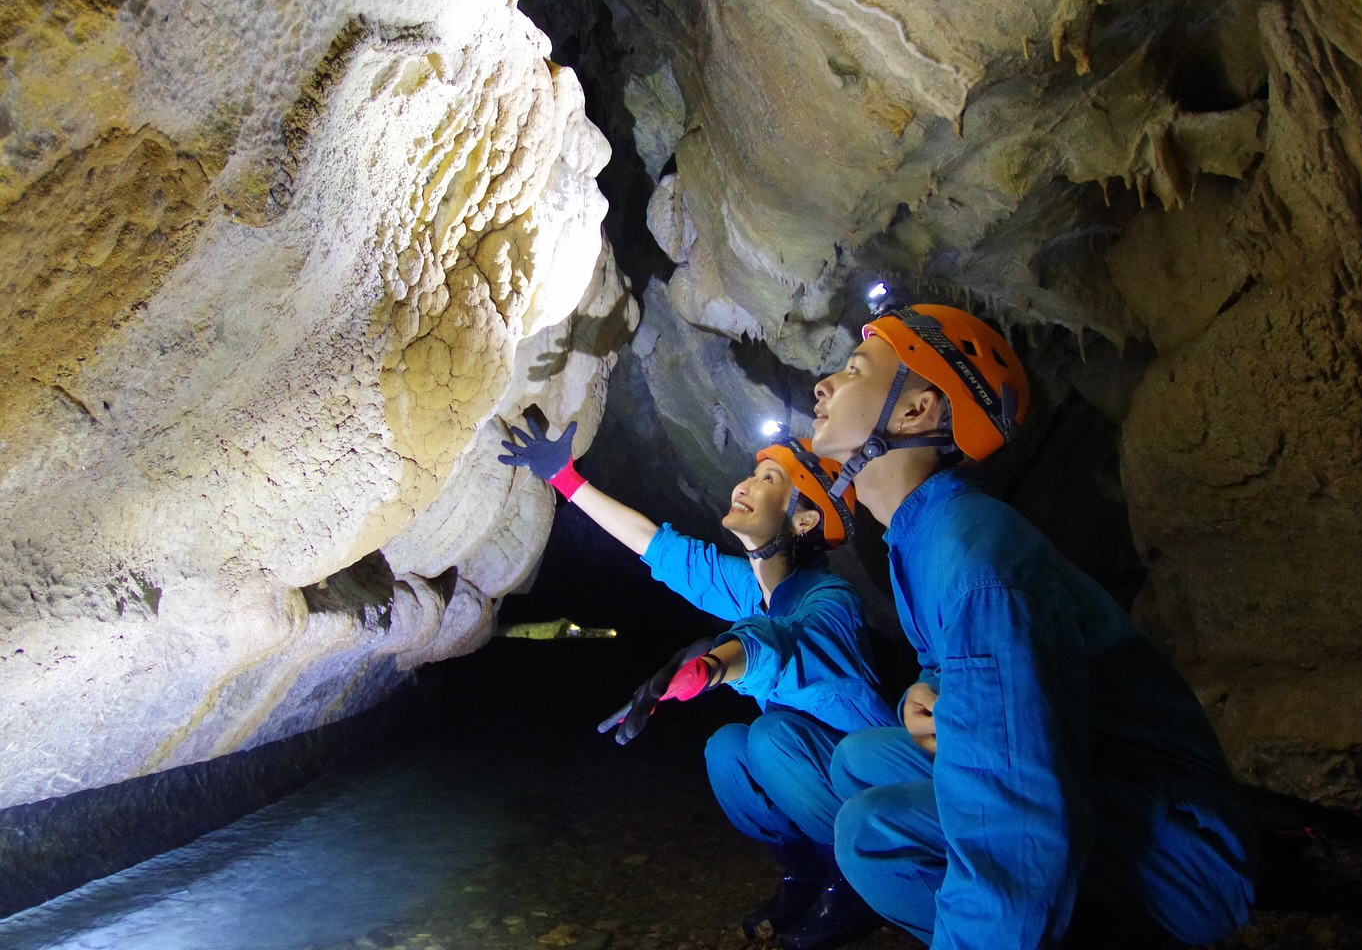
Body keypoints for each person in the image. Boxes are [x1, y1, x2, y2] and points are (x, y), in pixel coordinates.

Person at [808, 303, 1257, 949]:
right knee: (858, 760)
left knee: (872, 831)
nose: (824, 384)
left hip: (1180, 852)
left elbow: (1011, 821)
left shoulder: (974, 558)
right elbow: (944, 663)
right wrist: (922, 694)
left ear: (916, 411)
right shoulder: (920, 535)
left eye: (853, 370)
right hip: (1097, 783)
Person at [497, 414, 893, 949]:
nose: (744, 484)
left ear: (804, 522)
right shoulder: (747, 587)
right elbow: (654, 545)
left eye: (770, 481)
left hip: (873, 779)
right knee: (727, 749)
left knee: (770, 738)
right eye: (752, 475)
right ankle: (804, 872)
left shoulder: (831, 598)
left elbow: (781, 645)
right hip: (814, 772)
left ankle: (857, 882)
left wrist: (709, 666)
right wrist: (565, 479)